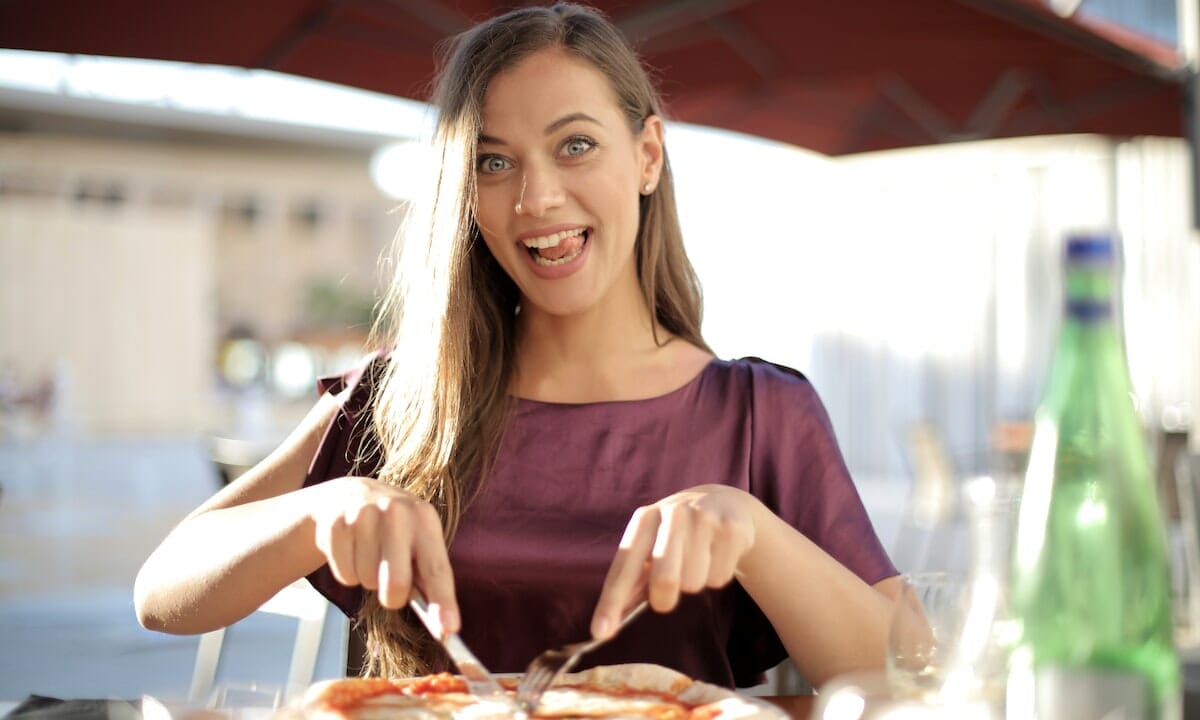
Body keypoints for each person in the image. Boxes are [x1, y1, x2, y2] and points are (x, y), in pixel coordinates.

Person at [134, 2, 900, 690]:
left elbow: (908, 674)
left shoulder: (762, 413)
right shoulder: (401, 402)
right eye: (493, 162)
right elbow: (162, 593)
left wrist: (754, 532)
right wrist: (318, 511)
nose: (536, 199)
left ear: (648, 156)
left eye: (575, 146)